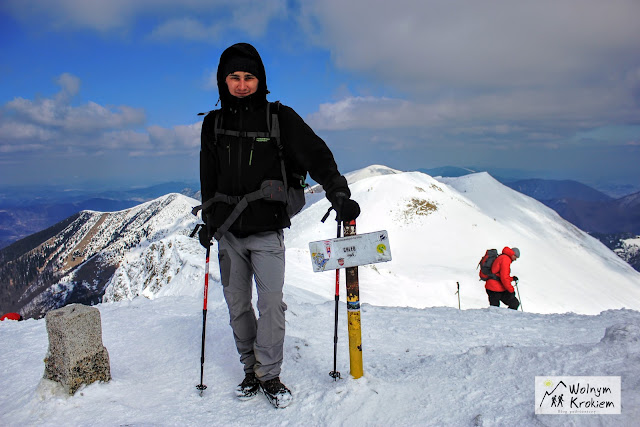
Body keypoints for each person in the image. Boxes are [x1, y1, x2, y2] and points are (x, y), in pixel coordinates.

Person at [198, 43, 360, 408]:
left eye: (249, 77)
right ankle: (250, 368)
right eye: (234, 77)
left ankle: (268, 374)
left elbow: (317, 154)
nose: (241, 85)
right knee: (237, 305)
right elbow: (208, 177)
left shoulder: (279, 117)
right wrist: (210, 220)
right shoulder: (213, 123)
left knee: (271, 305)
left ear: (261, 80)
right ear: (223, 81)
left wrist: (338, 192)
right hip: (228, 235)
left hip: (267, 231)